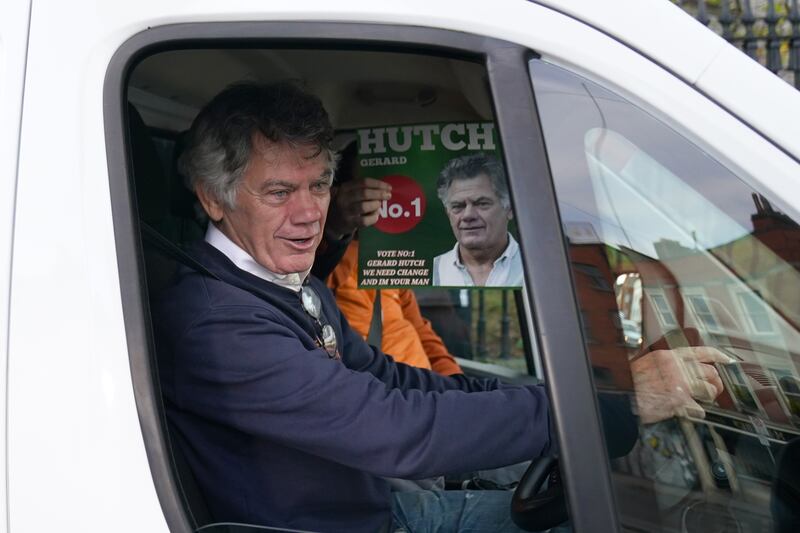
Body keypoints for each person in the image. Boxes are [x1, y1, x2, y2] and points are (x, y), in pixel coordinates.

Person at [152, 81, 728, 533]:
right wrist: (604, 413)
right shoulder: (214, 320)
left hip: (374, 514)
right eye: (279, 192)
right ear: (213, 198)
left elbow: (390, 379)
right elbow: (392, 428)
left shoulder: (282, 281)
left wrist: (584, 394)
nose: (310, 214)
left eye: (320, 184)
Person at [318, 142, 462, 376]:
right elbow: (314, 283)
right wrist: (339, 228)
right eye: (365, 190)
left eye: (389, 189)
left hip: (428, 387)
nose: (380, 200)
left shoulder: (393, 257)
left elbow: (419, 328)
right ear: (343, 193)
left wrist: (455, 380)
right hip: (384, 391)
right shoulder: (325, 255)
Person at [433, 153, 523, 287]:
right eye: (458, 206)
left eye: (482, 203)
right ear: (448, 213)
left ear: (509, 209)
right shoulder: (434, 270)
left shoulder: (535, 266)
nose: (468, 215)